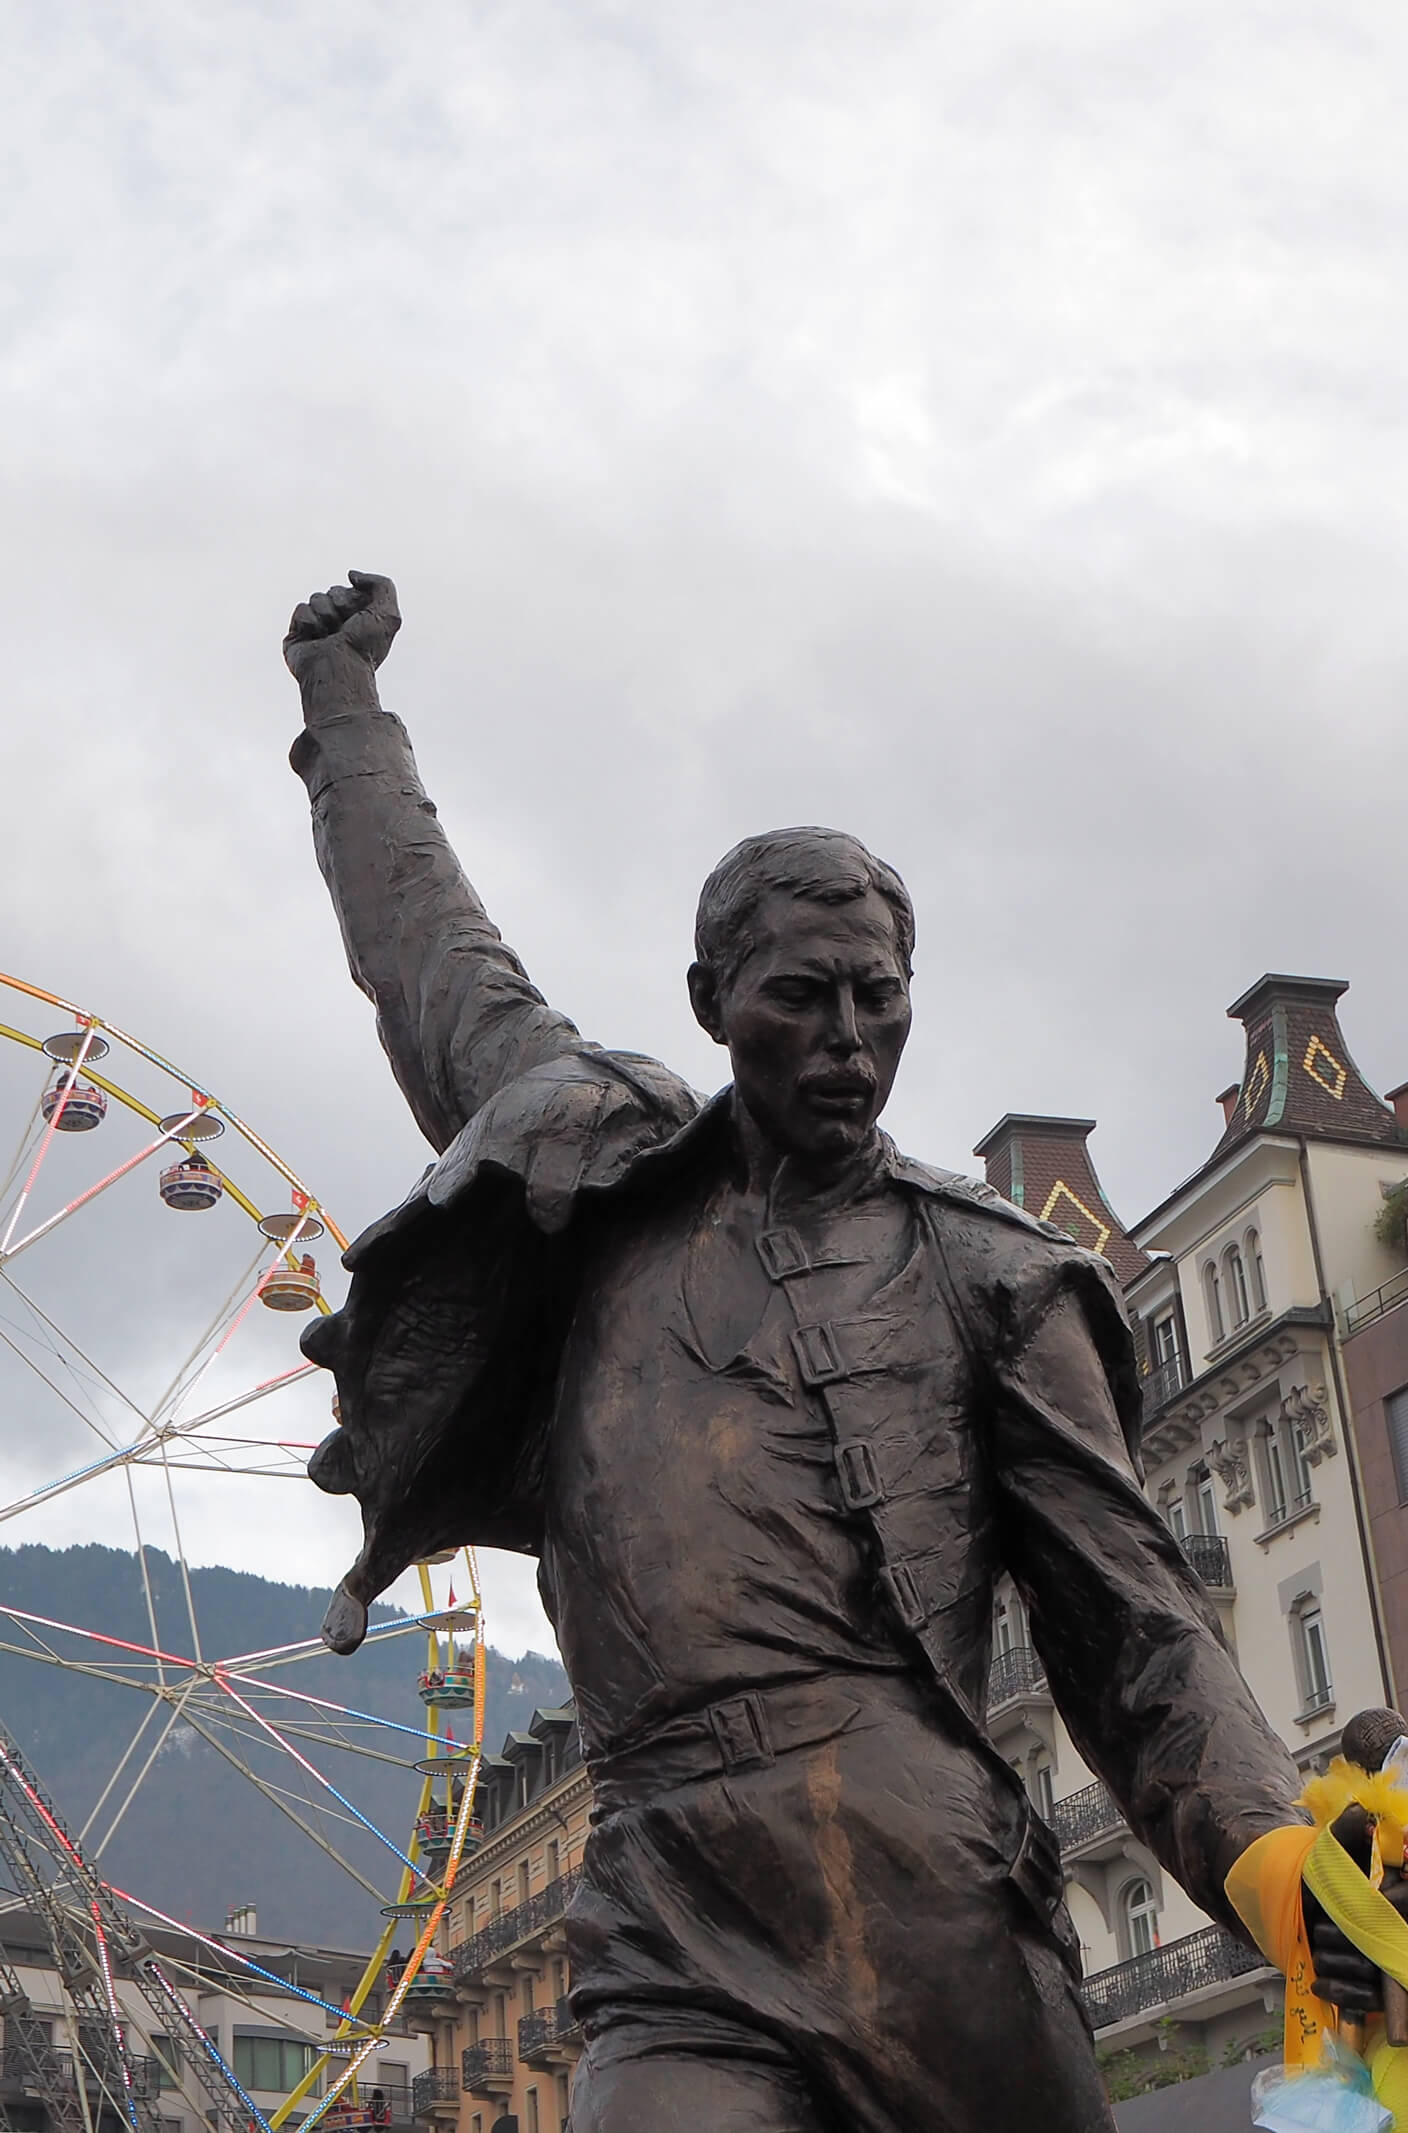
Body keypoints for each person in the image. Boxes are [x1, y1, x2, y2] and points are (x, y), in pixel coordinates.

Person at [284, 573, 1310, 2133]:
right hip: (671, 1889)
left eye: (879, 998)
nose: (847, 1034)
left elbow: (1138, 1630)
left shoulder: (993, 1276)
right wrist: (347, 723)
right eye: (800, 995)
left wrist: (1281, 1861)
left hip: (935, 1898)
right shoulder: (600, 1191)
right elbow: (432, 961)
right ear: (712, 1003)